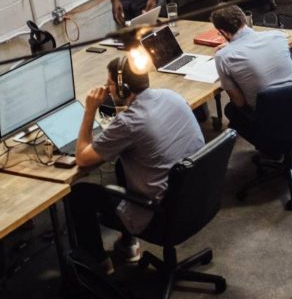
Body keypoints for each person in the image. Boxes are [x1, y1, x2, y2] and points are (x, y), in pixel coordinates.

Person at [68, 56, 205, 273]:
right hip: (197, 199)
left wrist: (89, 111)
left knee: (78, 195)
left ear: (123, 88)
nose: (107, 89)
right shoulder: (171, 96)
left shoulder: (129, 123)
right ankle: (128, 245)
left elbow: (83, 158)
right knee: (124, 164)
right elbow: (132, 124)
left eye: (110, 85)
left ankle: (100, 263)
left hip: (161, 216)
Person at [211, 5, 292, 143]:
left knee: (231, 109)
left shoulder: (223, 56)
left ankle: (272, 148)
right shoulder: (277, 36)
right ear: (244, 20)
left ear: (223, 32)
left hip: (270, 116)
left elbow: (239, 102)